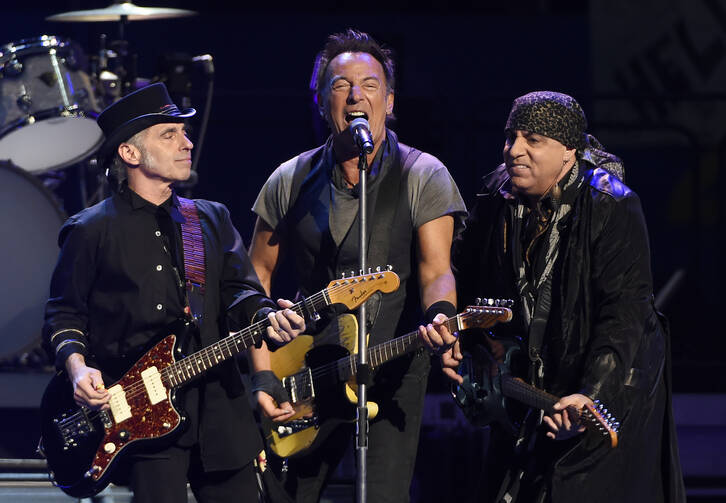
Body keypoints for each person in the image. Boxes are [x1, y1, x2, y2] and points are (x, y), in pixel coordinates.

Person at [42, 82, 305, 503]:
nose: (186, 143)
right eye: (170, 134)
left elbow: (242, 294)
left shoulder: (210, 218)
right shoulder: (90, 230)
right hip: (144, 423)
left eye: (183, 133)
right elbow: (63, 316)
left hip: (221, 412)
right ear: (129, 153)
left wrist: (266, 318)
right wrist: (76, 369)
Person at [420, 91, 685, 502]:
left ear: (569, 152)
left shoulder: (612, 206)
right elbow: (462, 275)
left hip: (606, 393)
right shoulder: (496, 195)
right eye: (510, 137)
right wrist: (461, 338)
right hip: (529, 393)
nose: (514, 151)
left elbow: (625, 315)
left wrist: (592, 393)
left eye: (533, 139)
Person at [248, 29, 466, 503]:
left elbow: (436, 270)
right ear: (322, 101)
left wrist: (440, 313)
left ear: (389, 102)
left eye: (369, 84)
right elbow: (254, 281)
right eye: (340, 84)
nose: (355, 95)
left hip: (391, 369)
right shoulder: (288, 179)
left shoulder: (424, 173)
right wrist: (265, 376)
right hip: (308, 369)